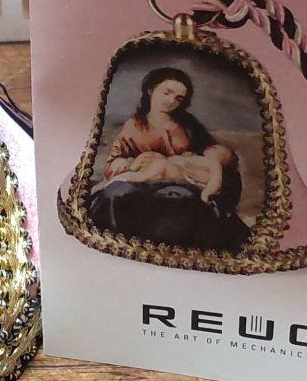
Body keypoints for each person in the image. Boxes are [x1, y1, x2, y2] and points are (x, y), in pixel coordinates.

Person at [88, 67, 249, 251]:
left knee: (184, 200)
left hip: (183, 183)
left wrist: (203, 175)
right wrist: (133, 163)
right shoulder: (134, 125)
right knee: (115, 194)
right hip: (143, 182)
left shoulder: (188, 125)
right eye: (166, 93)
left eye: (178, 98)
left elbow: (215, 158)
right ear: (151, 90)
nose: (171, 101)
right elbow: (114, 162)